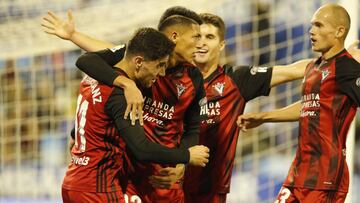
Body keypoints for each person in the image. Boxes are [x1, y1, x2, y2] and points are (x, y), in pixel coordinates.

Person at [43, 7, 206, 203]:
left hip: (161, 177)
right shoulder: (129, 71)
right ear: (174, 36)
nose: (200, 43)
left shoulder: (193, 78)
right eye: (196, 36)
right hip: (120, 176)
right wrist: (126, 83)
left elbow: (193, 127)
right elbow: (87, 60)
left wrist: (181, 162)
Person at [237, 4, 360, 202]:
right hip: (299, 172)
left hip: (325, 177)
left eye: (319, 25)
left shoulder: (349, 69)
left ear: (339, 31)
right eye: (312, 25)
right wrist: (264, 117)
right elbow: (309, 107)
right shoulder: (314, 67)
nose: (311, 31)